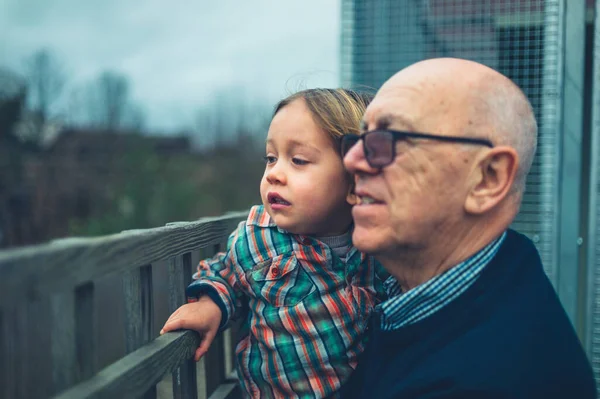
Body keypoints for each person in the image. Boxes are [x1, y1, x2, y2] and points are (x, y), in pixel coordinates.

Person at [339, 58, 596, 398]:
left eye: (388, 139)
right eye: (359, 139)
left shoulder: (488, 382)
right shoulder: (500, 274)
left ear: (488, 179)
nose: (352, 160)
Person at [161, 88, 387, 398]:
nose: (274, 174)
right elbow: (224, 273)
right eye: (271, 158)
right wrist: (210, 306)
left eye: (298, 160)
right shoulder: (258, 237)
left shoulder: (376, 244)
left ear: (355, 180)